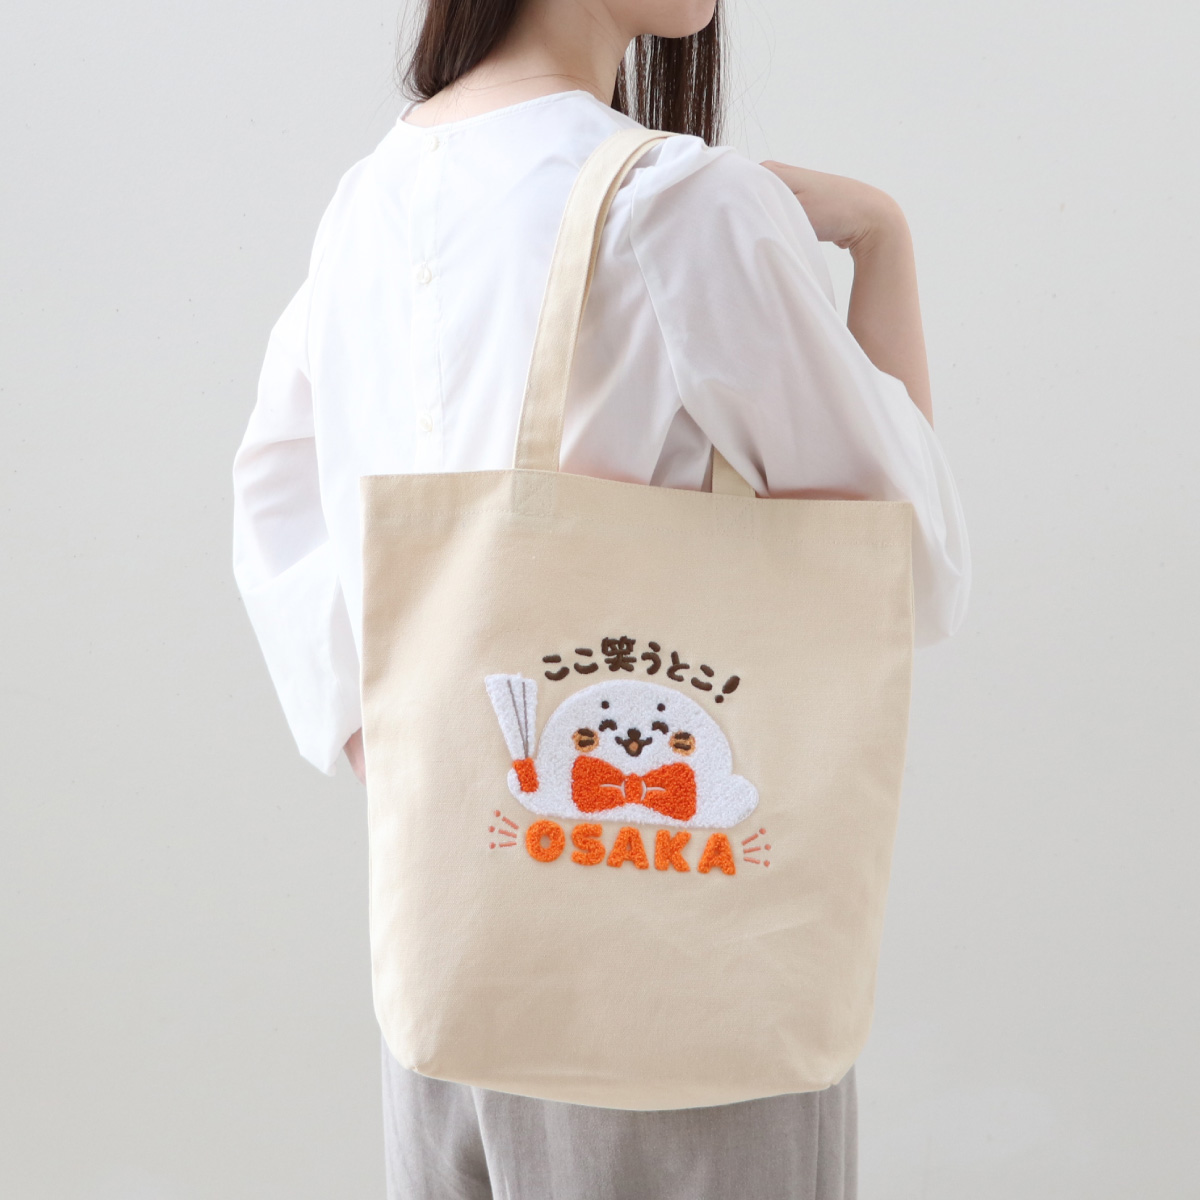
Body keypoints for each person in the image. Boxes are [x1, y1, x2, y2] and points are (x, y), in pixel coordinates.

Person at [232, 0, 971, 1195]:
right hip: (686, 986)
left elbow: (279, 514)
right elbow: (908, 567)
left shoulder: (370, 196)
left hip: (452, 968)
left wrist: (417, 753)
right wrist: (883, 240)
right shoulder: (679, 202)